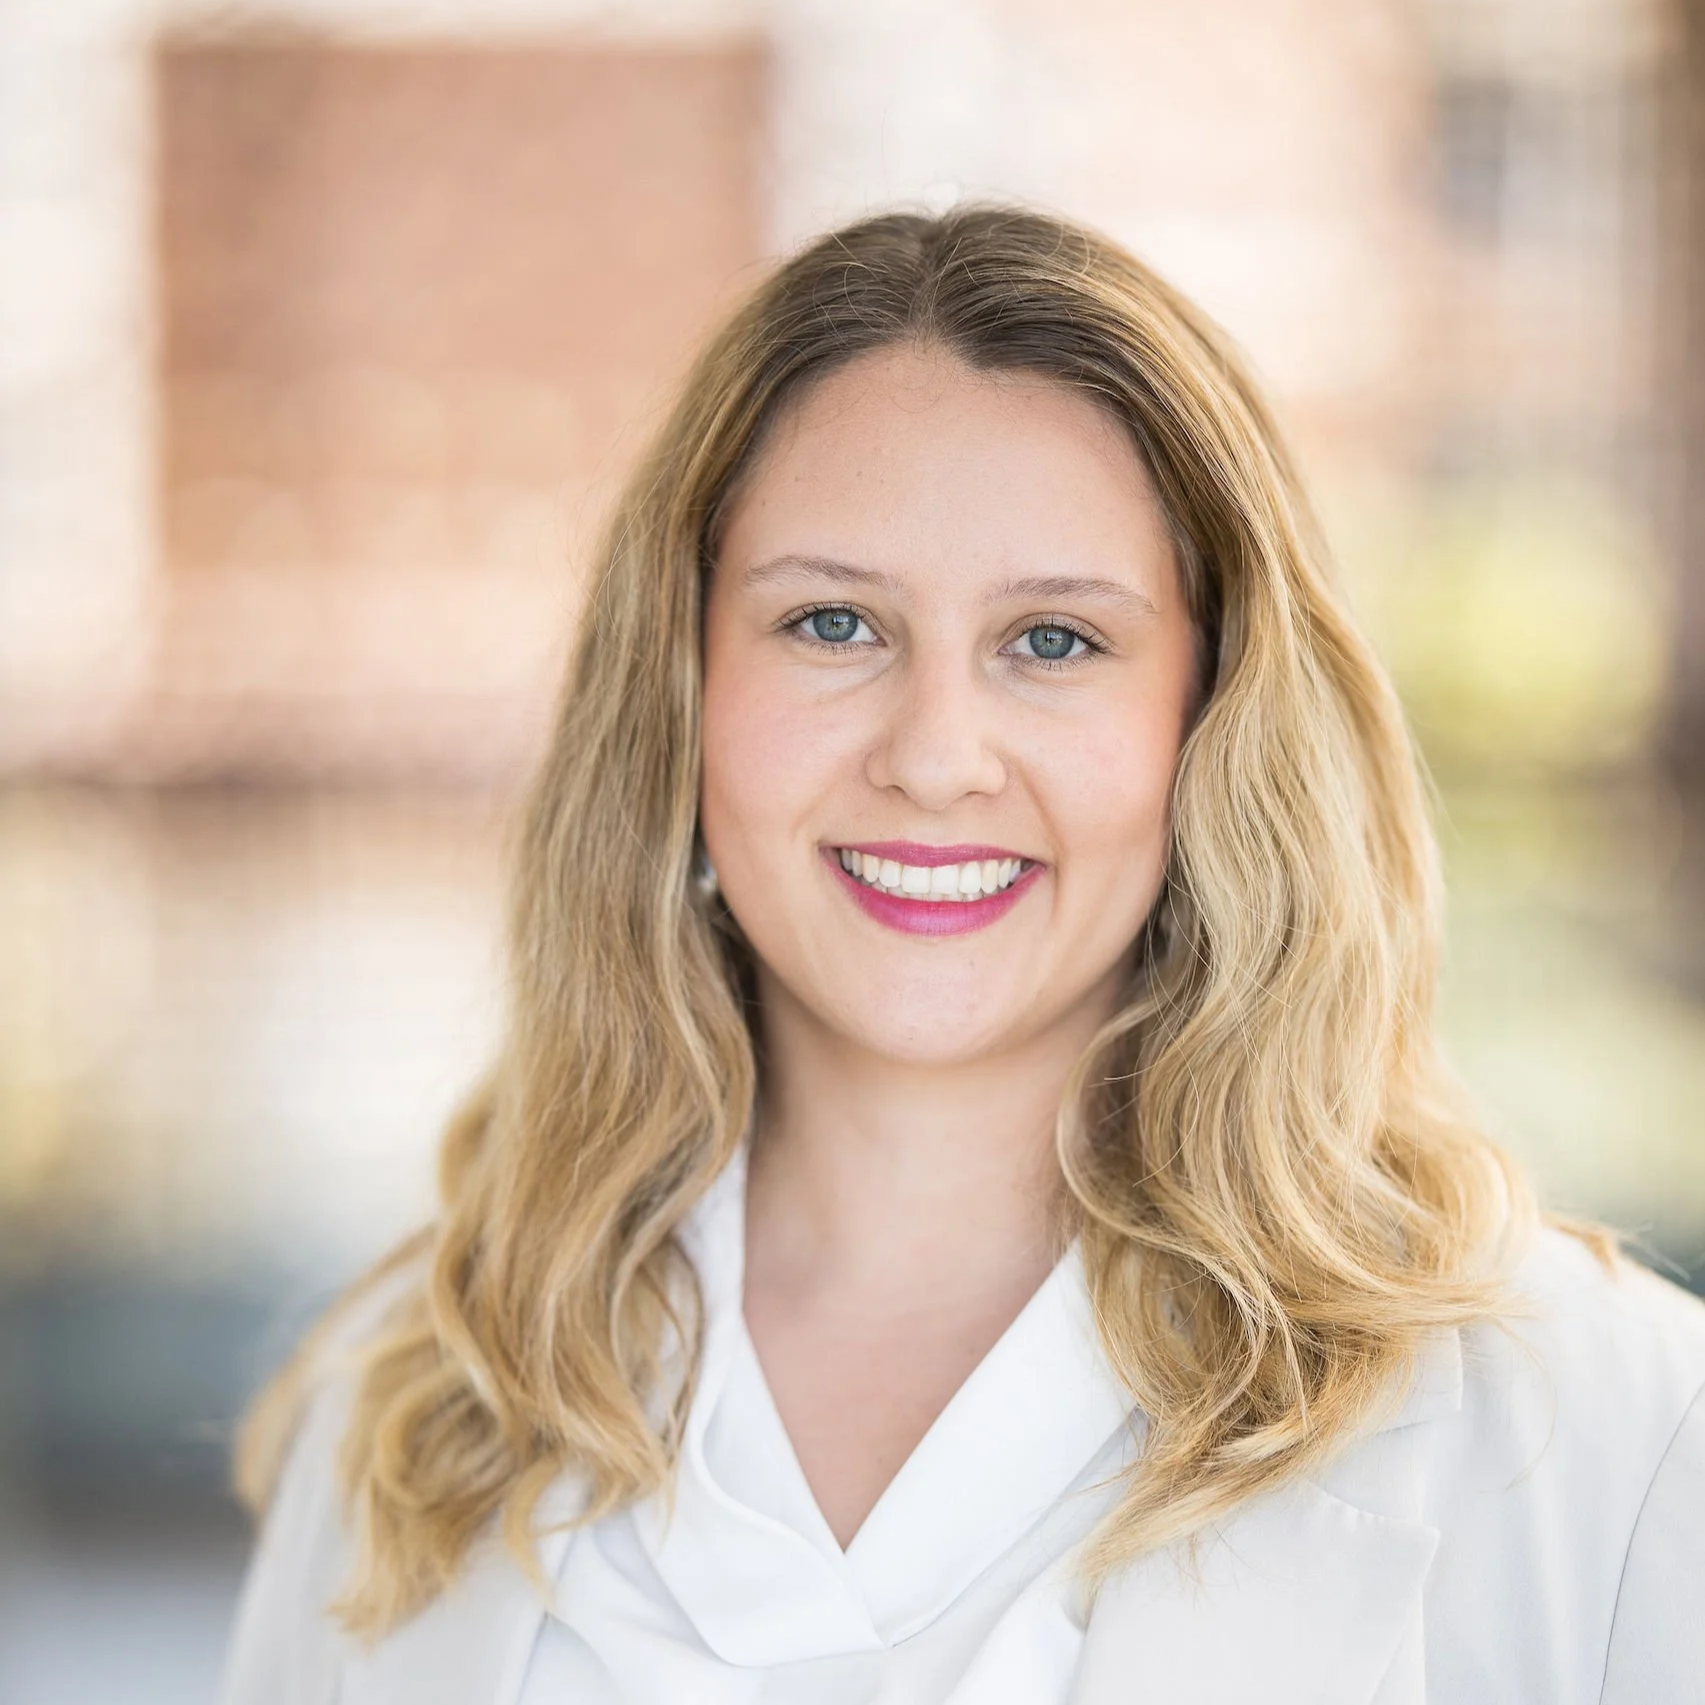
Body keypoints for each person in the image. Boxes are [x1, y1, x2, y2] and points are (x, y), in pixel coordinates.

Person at [217, 206, 1705, 1705]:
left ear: (1209, 718)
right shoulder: (415, 1406)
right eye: (832, 622)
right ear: (680, 691)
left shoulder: (1613, 1431)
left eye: (1054, 641)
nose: (935, 759)